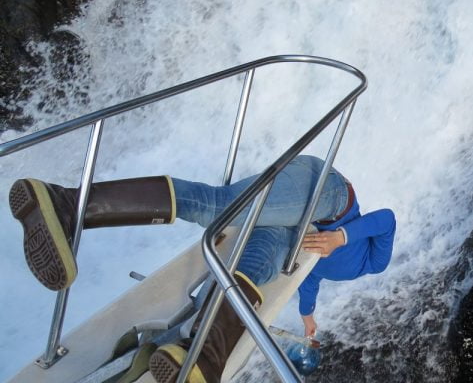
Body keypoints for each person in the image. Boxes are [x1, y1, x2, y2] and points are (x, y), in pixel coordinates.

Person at [8, 155, 396, 383]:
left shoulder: (327, 269)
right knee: (219, 208)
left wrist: (308, 318)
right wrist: (341, 237)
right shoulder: (372, 264)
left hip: (298, 230)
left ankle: (200, 355)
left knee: (257, 269)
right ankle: (67, 204)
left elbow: (309, 277)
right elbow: (386, 219)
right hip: (329, 194)